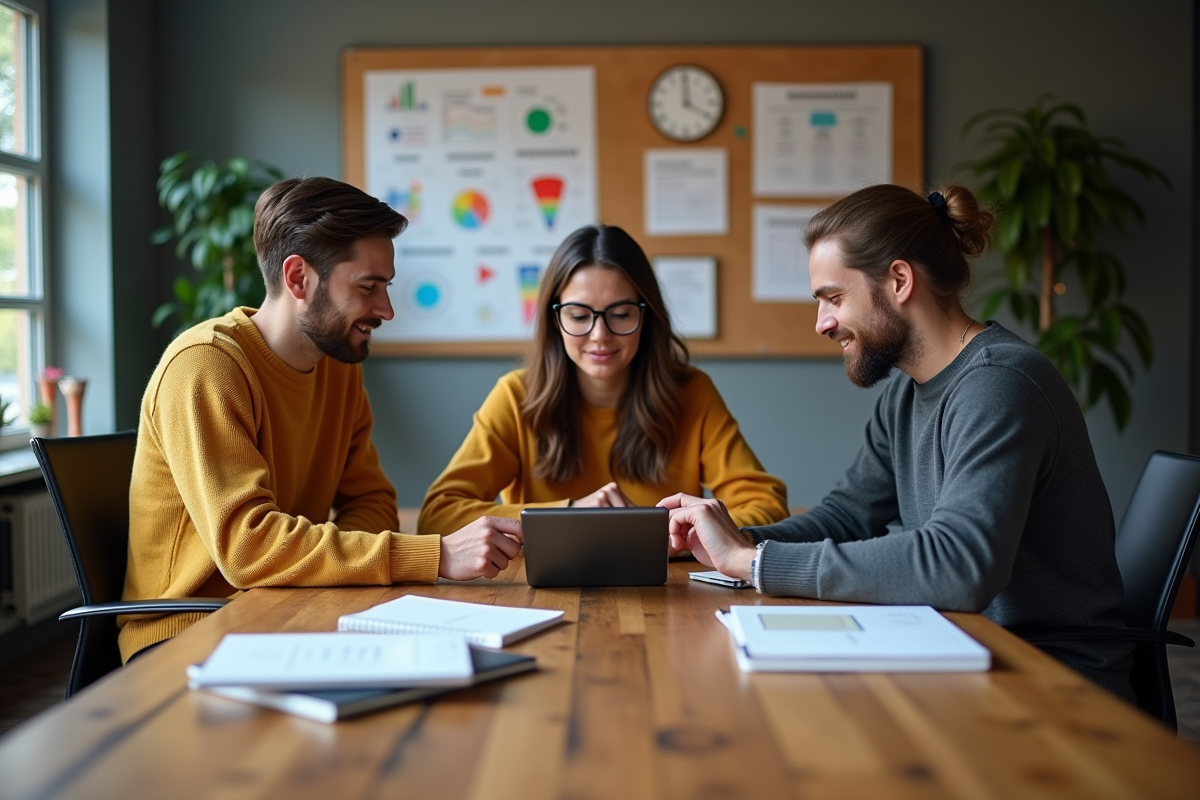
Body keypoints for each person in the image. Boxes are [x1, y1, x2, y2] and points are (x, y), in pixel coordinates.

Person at [662, 183, 1133, 699]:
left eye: (834, 298)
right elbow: (845, 516)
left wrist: (753, 564)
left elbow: (959, 565)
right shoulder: (907, 396)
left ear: (900, 280)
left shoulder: (1000, 385)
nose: (822, 324)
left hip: (1053, 684)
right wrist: (732, 541)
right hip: (972, 652)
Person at [120, 177, 522, 663]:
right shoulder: (206, 366)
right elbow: (248, 547)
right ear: (298, 279)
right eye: (368, 287)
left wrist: (346, 564)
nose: (386, 310)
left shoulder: (338, 369)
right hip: (187, 635)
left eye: (386, 287)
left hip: (289, 611)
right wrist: (435, 555)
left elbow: (372, 501)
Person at [418, 224, 788, 536]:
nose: (599, 335)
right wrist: (569, 513)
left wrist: (676, 534)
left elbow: (766, 505)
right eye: (579, 316)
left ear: (647, 316)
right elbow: (439, 514)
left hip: (665, 586)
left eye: (621, 314)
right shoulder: (516, 395)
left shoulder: (692, 392)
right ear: (554, 319)